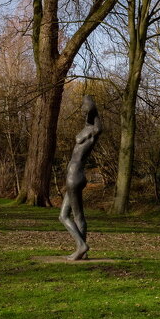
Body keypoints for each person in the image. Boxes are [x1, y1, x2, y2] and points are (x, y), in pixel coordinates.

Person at [60, 97, 101, 260]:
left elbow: (98, 127)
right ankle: (81, 253)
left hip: (74, 177)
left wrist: (94, 110)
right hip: (75, 175)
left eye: (85, 108)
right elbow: (88, 120)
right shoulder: (87, 128)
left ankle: (81, 246)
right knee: (78, 216)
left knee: (65, 216)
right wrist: (88, 105)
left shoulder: (94, 131)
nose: (83, 110)